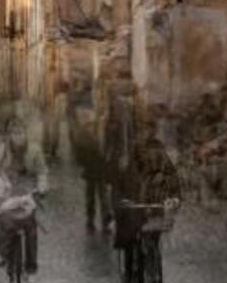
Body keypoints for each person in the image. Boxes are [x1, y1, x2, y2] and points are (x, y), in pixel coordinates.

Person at [0, 102, 49, 275]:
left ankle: (31, 264)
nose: (17, 137)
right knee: (4, 221)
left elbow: (42, 172)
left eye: (20, 133)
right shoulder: (3, 150)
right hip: (8, 190)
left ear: (26, 134)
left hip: (28, 192)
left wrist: (42, 188)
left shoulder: (35, 150)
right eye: (13, 133)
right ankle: (1, 254)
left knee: (31, 229)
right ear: (9, 135)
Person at [113, 136, 181, 283]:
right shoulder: (132, 164)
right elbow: (121, 186)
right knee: (135, 243)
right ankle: (136, 274)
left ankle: (148, 273)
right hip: (140, 211)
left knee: (149, 241)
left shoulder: (158, 163)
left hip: (153, 210)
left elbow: (174, 185)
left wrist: (173, 199)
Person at [73, 105, 112, 233]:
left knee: (99, 196)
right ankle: (94, 221)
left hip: (97, 169)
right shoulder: (83, 134)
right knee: (96, 196)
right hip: (93, 168)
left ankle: (100, 221)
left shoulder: (87, 133)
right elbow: (83, 154)